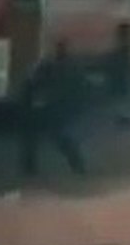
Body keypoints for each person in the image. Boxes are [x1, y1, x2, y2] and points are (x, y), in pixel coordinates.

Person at [18, 43, 87, 179]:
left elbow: (31, 87)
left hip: (45, 108)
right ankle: (30, 167)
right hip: (45, 108)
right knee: (50, 137)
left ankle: (30, 167)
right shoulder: (54, 67)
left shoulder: (51, 67)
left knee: (43, 137)